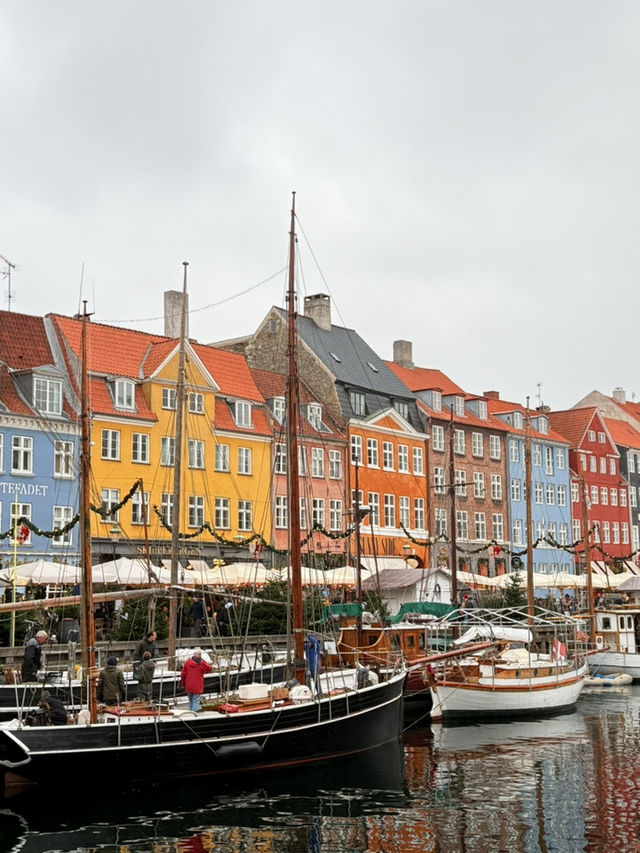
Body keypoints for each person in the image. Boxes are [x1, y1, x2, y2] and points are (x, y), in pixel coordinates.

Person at [180, 647, 212, 712]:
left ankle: (190, 713)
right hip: (197, 686)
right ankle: (194, 714)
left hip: (189, 685)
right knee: (196, 700)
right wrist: (202, 660)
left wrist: (183, 684)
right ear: (200, 656)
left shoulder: (187, 663)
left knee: (191, 700)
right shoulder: (201, 664)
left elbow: (183, 675)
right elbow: (209, 669)